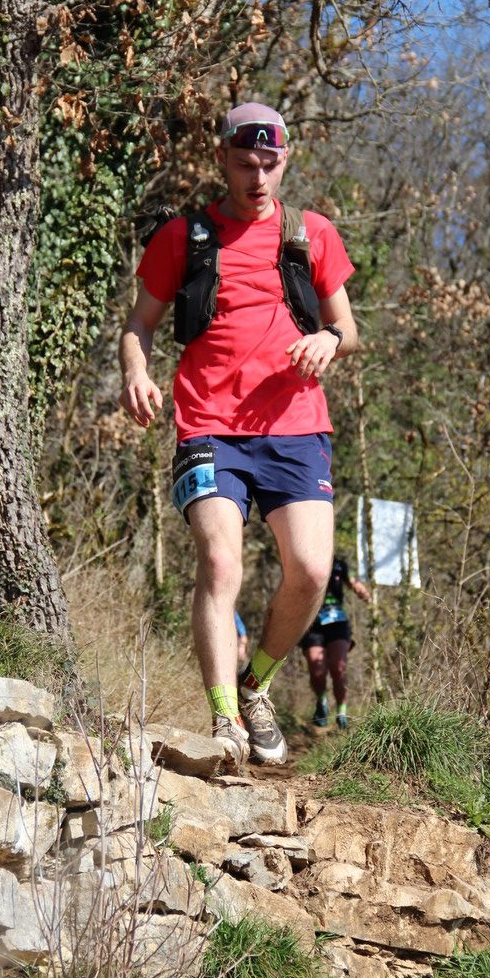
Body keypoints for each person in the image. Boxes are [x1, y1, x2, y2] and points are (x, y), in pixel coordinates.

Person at [118, 101, 358, 769]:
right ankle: (224, 718)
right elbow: (139, 325)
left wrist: (327, 341)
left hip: (296, 427)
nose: (258, 178)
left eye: (269, 164)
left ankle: (256, 686)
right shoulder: (184, 237)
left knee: (311, 570)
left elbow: (348, 328)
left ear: (286, 161)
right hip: (209, 425)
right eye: (246, 163)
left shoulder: (311, 234)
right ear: (222, 158)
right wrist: (136, 373)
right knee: (221, 563)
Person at [300, 555, 370, 729]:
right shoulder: (304, 558)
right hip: (312, 623)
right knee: (317, 671)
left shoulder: (340, 564)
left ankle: (342, 711)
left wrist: (366, 596)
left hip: (337, 623)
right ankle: (322, 702)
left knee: (338, 669)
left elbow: (354, 583)